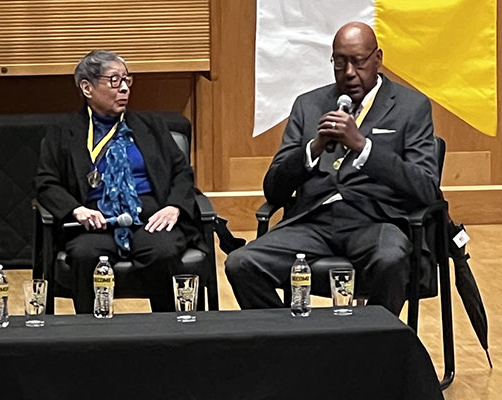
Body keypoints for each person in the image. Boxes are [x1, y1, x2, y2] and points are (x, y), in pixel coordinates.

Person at [225, 22, 440, 315]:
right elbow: (273, 188)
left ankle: (370, 345)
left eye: (358, 62)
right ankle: (295, 345)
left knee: (391, 259)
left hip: (376, 221)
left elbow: (426, 188)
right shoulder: (309, 105)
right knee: (241, 264)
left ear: (377, 59)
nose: (349, 72)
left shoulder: (410, 107)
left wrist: (363, 147)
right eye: (340, 62)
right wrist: (313, 148)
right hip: (313, 220)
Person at [35, 50, 201, 313]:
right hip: (96, 220)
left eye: (126, 80)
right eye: (114, 80)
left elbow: (182, 173)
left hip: (150, 217)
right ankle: (93, 335)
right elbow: (46, 182)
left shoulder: (152, 127)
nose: (124, 88)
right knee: (86, 255)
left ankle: (170, 332)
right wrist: (76, 210)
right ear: (87, 88)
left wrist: (174, 206)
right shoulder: (63, 133)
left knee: (163, 252)